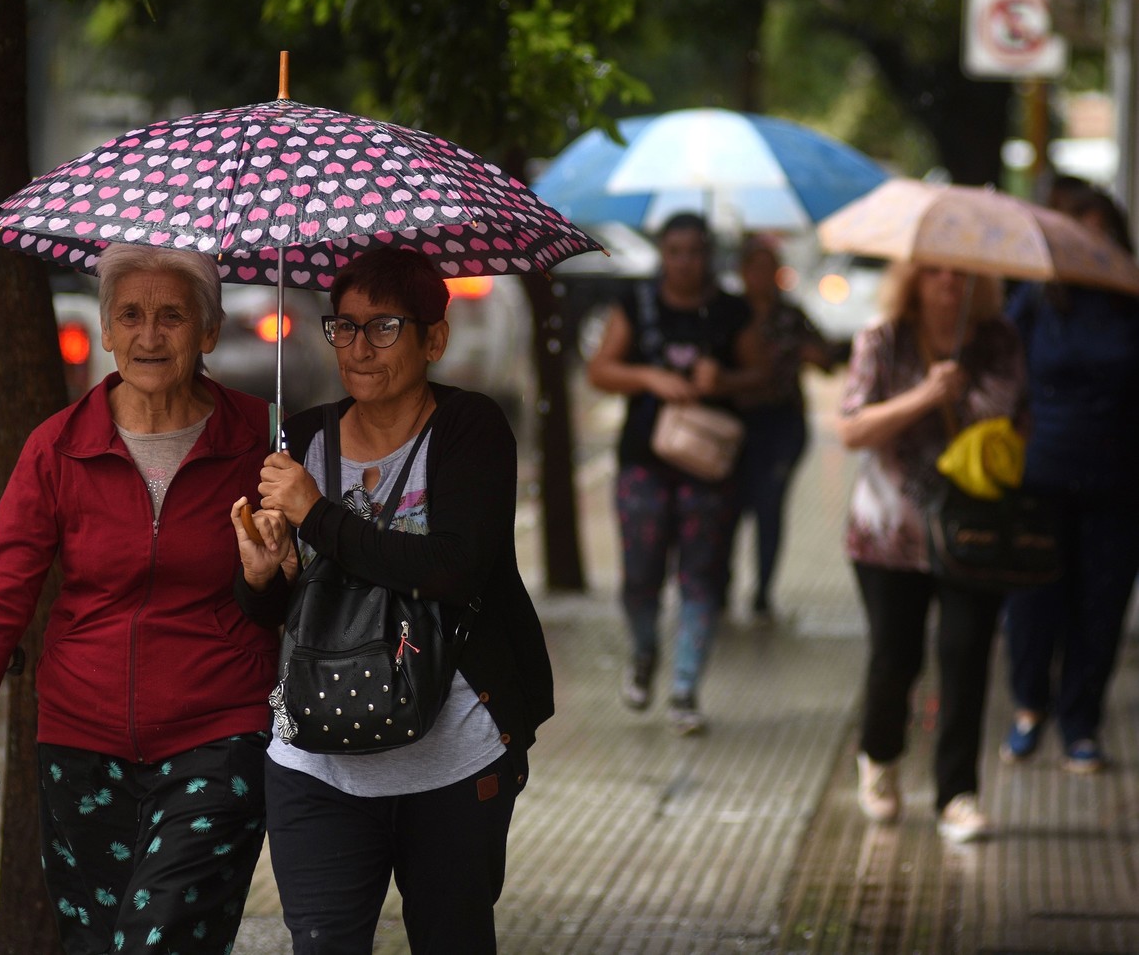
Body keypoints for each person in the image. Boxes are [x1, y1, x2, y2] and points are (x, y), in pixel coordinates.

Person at [0, 244, 279, 954]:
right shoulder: (58, 447)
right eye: (130, 315)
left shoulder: (260, 442)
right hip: (79, 745)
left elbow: (307, 592)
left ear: (208, 331)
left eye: (172, 315)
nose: (149, 335)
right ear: (105, 330)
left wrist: (274, 566)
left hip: (219, 733)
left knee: (158, 938)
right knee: (94, 942)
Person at [230, 245, 554, 954]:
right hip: (315, 761)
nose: (358, 346)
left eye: (383, 327)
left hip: (453, 757)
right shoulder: (302, 440)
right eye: (343, 327)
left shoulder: (470, 430)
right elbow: (285, 615)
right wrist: (260, 575)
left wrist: (318, 514)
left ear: (433, 337)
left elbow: (451, 570)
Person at [836, 261, 1024, 843]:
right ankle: (881, 755)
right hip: (888, 531)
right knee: (896, 659)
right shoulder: (882, 337)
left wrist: (958, 392)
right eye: (935, 272)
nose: (949, 283)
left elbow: (1008, 417)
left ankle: (957, 795)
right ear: (912, 278)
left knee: (966, 656)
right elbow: (851, 429)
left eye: (962, 274)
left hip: (974, 531)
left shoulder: (997, 341)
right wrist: (925, 394)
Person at [584, 212, 761, 735]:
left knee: (700, 577)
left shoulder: (731, 311)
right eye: (676, 250)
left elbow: (765, 375)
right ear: (662, 253)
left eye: (696, 251)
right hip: (644, 462)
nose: (686, 261)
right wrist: (649, 377)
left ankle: (685, 688)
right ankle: (644, 653)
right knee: (640, 574)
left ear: (711, 255)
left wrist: (723, 379)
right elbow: (600, 369)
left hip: (709, 468)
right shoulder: (637, 302)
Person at [1000, 183, 1139, 774]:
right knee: (1033, 600)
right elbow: (1004, 372)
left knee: (1101, 605)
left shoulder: (1132, 301)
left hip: (1120, 480)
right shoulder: (1033, 301)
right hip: (1041, 476)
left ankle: (1081, 722)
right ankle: (1029, 706)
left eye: (1100, 230)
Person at [730, 234, 834, 622]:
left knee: (770, 504)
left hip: (782, 422)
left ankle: (763, 591)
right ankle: (722, 586)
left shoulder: (790, 313)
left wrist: (811, 353)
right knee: (732, 505)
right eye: (756, 267)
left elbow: (827, 355)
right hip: (738, 423)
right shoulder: (730, 312)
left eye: (770, 266)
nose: (763, 275)